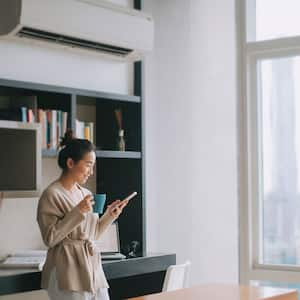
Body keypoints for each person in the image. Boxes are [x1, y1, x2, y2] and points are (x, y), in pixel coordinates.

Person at [37, 130, 128, 300]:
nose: (91, 172)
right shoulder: (51, 195)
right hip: (67, 270)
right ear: (70, 163)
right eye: (88, 165)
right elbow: (50, 238)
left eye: (93, 166)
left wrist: (109, 215)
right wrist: (78, 212)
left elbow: (92, 235)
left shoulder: (84, 193)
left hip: (92, 267)